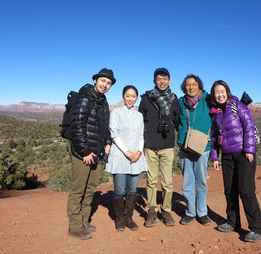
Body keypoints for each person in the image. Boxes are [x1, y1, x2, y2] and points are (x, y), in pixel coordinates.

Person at [210, 80, 261, 243]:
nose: (219, 95)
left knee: (246, 191)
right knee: (229, 190)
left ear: (227, 91)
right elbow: (214, 137)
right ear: (214, 95)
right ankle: (233, 222)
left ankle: (258, 229)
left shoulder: (237, 106)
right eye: (216, 92)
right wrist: (215, 157)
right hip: (227, 156)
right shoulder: (216, 113)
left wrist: (250, 150)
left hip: (243, 154)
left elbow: (249, 126)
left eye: (222, 91)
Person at [67, 68, 115, 240]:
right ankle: (74, 226)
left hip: (98, 153)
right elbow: (77, 125)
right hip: (83, 154)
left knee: (90, 189)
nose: (105, 85)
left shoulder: (103, 101)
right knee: (78, 190)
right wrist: (85, 151)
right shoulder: (85, 98)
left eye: (109, 83)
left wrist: (107, 143)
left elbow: (104, 126)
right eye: (103, 81)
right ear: (95, 80)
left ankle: (84, 221)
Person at [138, 68, 180, 227]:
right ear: (154, 81)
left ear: (170, 81)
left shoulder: (174, 100)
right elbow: (140, 121)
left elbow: (177, 122)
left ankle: (166, 211)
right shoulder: (146, 99)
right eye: (159, 79)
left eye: (165, 78)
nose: (162, 81)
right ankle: (151, 210)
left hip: (167, 145)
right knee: (151, 180)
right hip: (150, 146)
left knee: (167, 181)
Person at [105, 85, 147, 231]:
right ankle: (119, 218)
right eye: (128, 96)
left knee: (132, 190)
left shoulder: (139, 115)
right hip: (120, 156)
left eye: (133, 96)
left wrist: (139, 152)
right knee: (119, 190)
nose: (130, 99)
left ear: (136, 98)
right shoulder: (116, 113)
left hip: (136, 157)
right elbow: (114, 134)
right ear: (123, 96)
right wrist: (127, 152)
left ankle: (129, 218)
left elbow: (141, 136)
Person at [177, 74, 212, 226]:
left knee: (201, 182)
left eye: (194, 84)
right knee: (187, 182)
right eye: (188, 85)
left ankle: (202, 212)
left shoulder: (208, 100)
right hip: (185, 146)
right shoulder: (180, 102)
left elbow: (224, 103)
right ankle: (190, 212)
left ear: (199, 85)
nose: (191, 87)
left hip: (202, 147)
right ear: (184, 87)